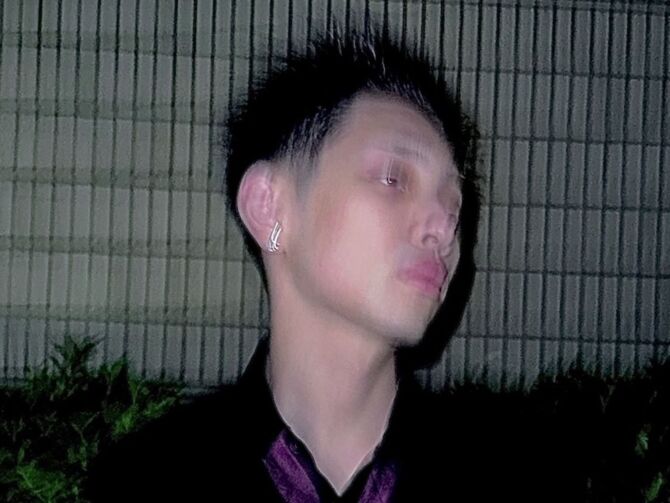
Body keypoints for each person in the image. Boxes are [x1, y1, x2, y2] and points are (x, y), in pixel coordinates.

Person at [88, 28, 583, 502]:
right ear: (269, 207)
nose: (443, 228)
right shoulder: (148, 480)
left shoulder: (519, 477)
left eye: (454, 205)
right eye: (393, 178)